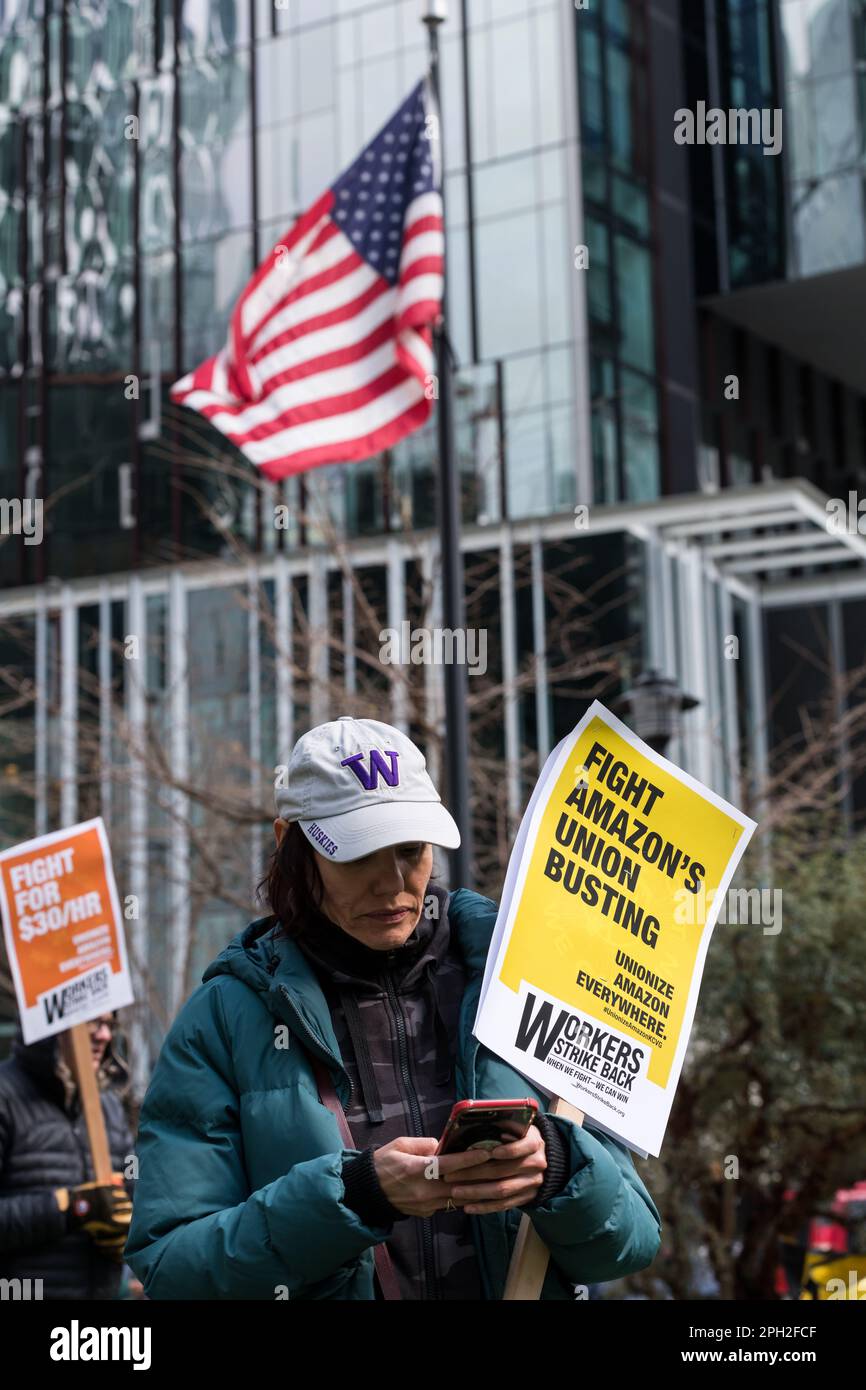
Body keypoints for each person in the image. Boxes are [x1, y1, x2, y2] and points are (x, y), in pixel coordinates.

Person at [126, 716, 661, 1299]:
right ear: (290, 844)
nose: (393, 883)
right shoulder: (223, 1020)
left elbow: (632, 1239)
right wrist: (354, 1195)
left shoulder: (532, 980)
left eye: (411, 850)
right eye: (358, 856)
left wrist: (558, 1167)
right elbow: (172, 1268)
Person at [0, 1011, 135, 1299]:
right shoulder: (5, 1097)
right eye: (92, 1023)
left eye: (109, 1025)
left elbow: (133, 1175)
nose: (104, 1036)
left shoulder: (109, 1106)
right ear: (51, 1026)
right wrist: (72, 1207)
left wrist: (129, 1224)